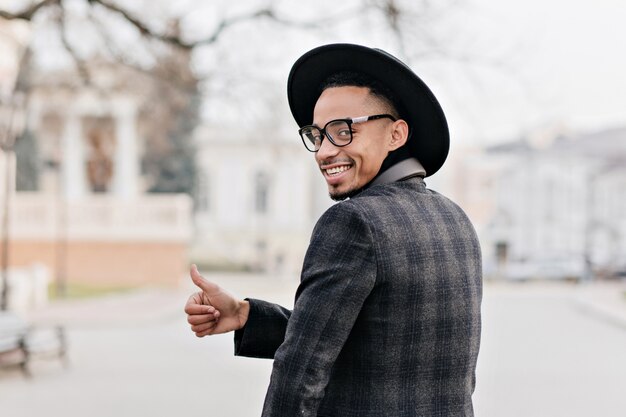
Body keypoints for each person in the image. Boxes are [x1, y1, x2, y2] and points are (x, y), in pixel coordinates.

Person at [185, 43, 482, 417]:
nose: (325, 151)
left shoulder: (354, 222)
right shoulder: (455, 219)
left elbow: (300, 370)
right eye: (318, 135)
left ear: (396, 134)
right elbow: (371, 341)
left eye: (343, 131)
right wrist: (247, 315)